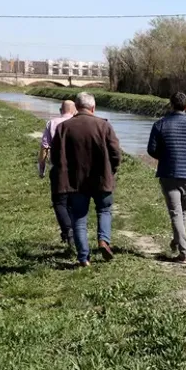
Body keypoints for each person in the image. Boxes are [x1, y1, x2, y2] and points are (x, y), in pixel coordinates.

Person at [51, 92, 122, 267]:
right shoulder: (104, 126)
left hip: (75, 181)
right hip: (101, 178)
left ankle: (83, 258)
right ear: (93, 107)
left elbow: (55, 156)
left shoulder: (63, 128)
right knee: (104, 210)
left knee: (79, 218)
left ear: (76, 107)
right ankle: (103, 240)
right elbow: (116, 154)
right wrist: (111, 169)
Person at [147, 91, 186, 263]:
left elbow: (151, 150)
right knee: (182, 212)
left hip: (168, 175)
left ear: (171, 105)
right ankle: (177, 242)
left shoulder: (160, 125)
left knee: (176, 213)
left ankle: (183, 252)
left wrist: (165, 156)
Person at [38, 99, 77, 244]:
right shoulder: (79, 123)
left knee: (59, 202)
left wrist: (41, 168)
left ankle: (68, 230)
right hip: (77, 168)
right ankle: (74, 230)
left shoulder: (52, 123)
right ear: (75, 110)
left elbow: (44, 147)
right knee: (73, 201)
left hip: (58, 167)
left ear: (61, 111)